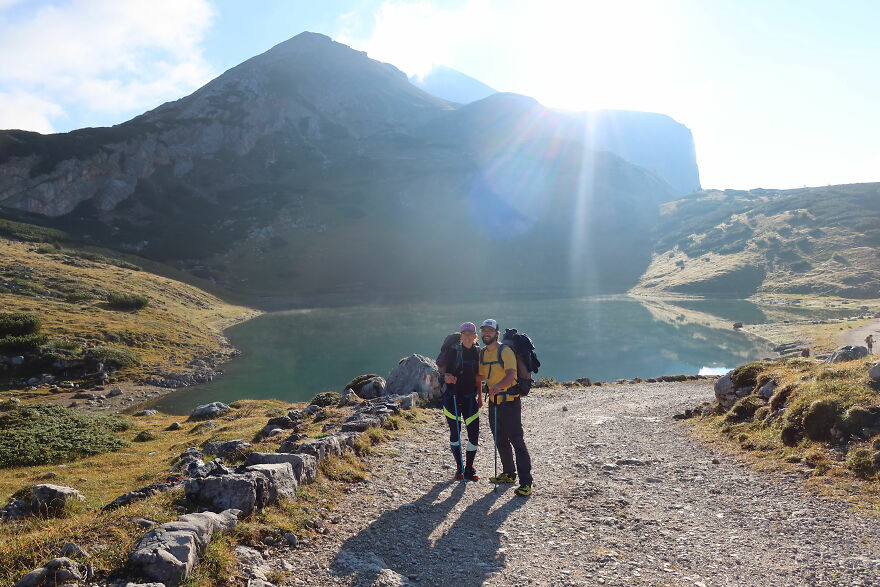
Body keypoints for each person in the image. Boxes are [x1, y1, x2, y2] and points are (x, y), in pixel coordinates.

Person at [478, 318, 533, 497]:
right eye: (484, 330)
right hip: (494, 403)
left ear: (497, 334)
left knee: (517, 441)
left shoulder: (506, 351)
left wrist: (497, 387)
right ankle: (509, 474)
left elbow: (511, 376)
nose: (486, 333)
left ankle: (526, 483)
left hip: (510, 403)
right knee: (500, 440)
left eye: (490, 331)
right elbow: (479, 377)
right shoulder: (483, 354)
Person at [442, 322, 483, 480]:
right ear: (461, 336)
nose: (467, 337)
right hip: (452, 397)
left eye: (470, 335)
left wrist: (480, 397)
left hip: (470, 398)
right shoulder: (453, 352)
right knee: (455, 433)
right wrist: (448, 378)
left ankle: (469, 468)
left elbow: (478, 378)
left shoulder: (477, 353)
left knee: (474, 434)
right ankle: (459, 468)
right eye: (464, 335)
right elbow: (445, 374)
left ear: (474, 337)